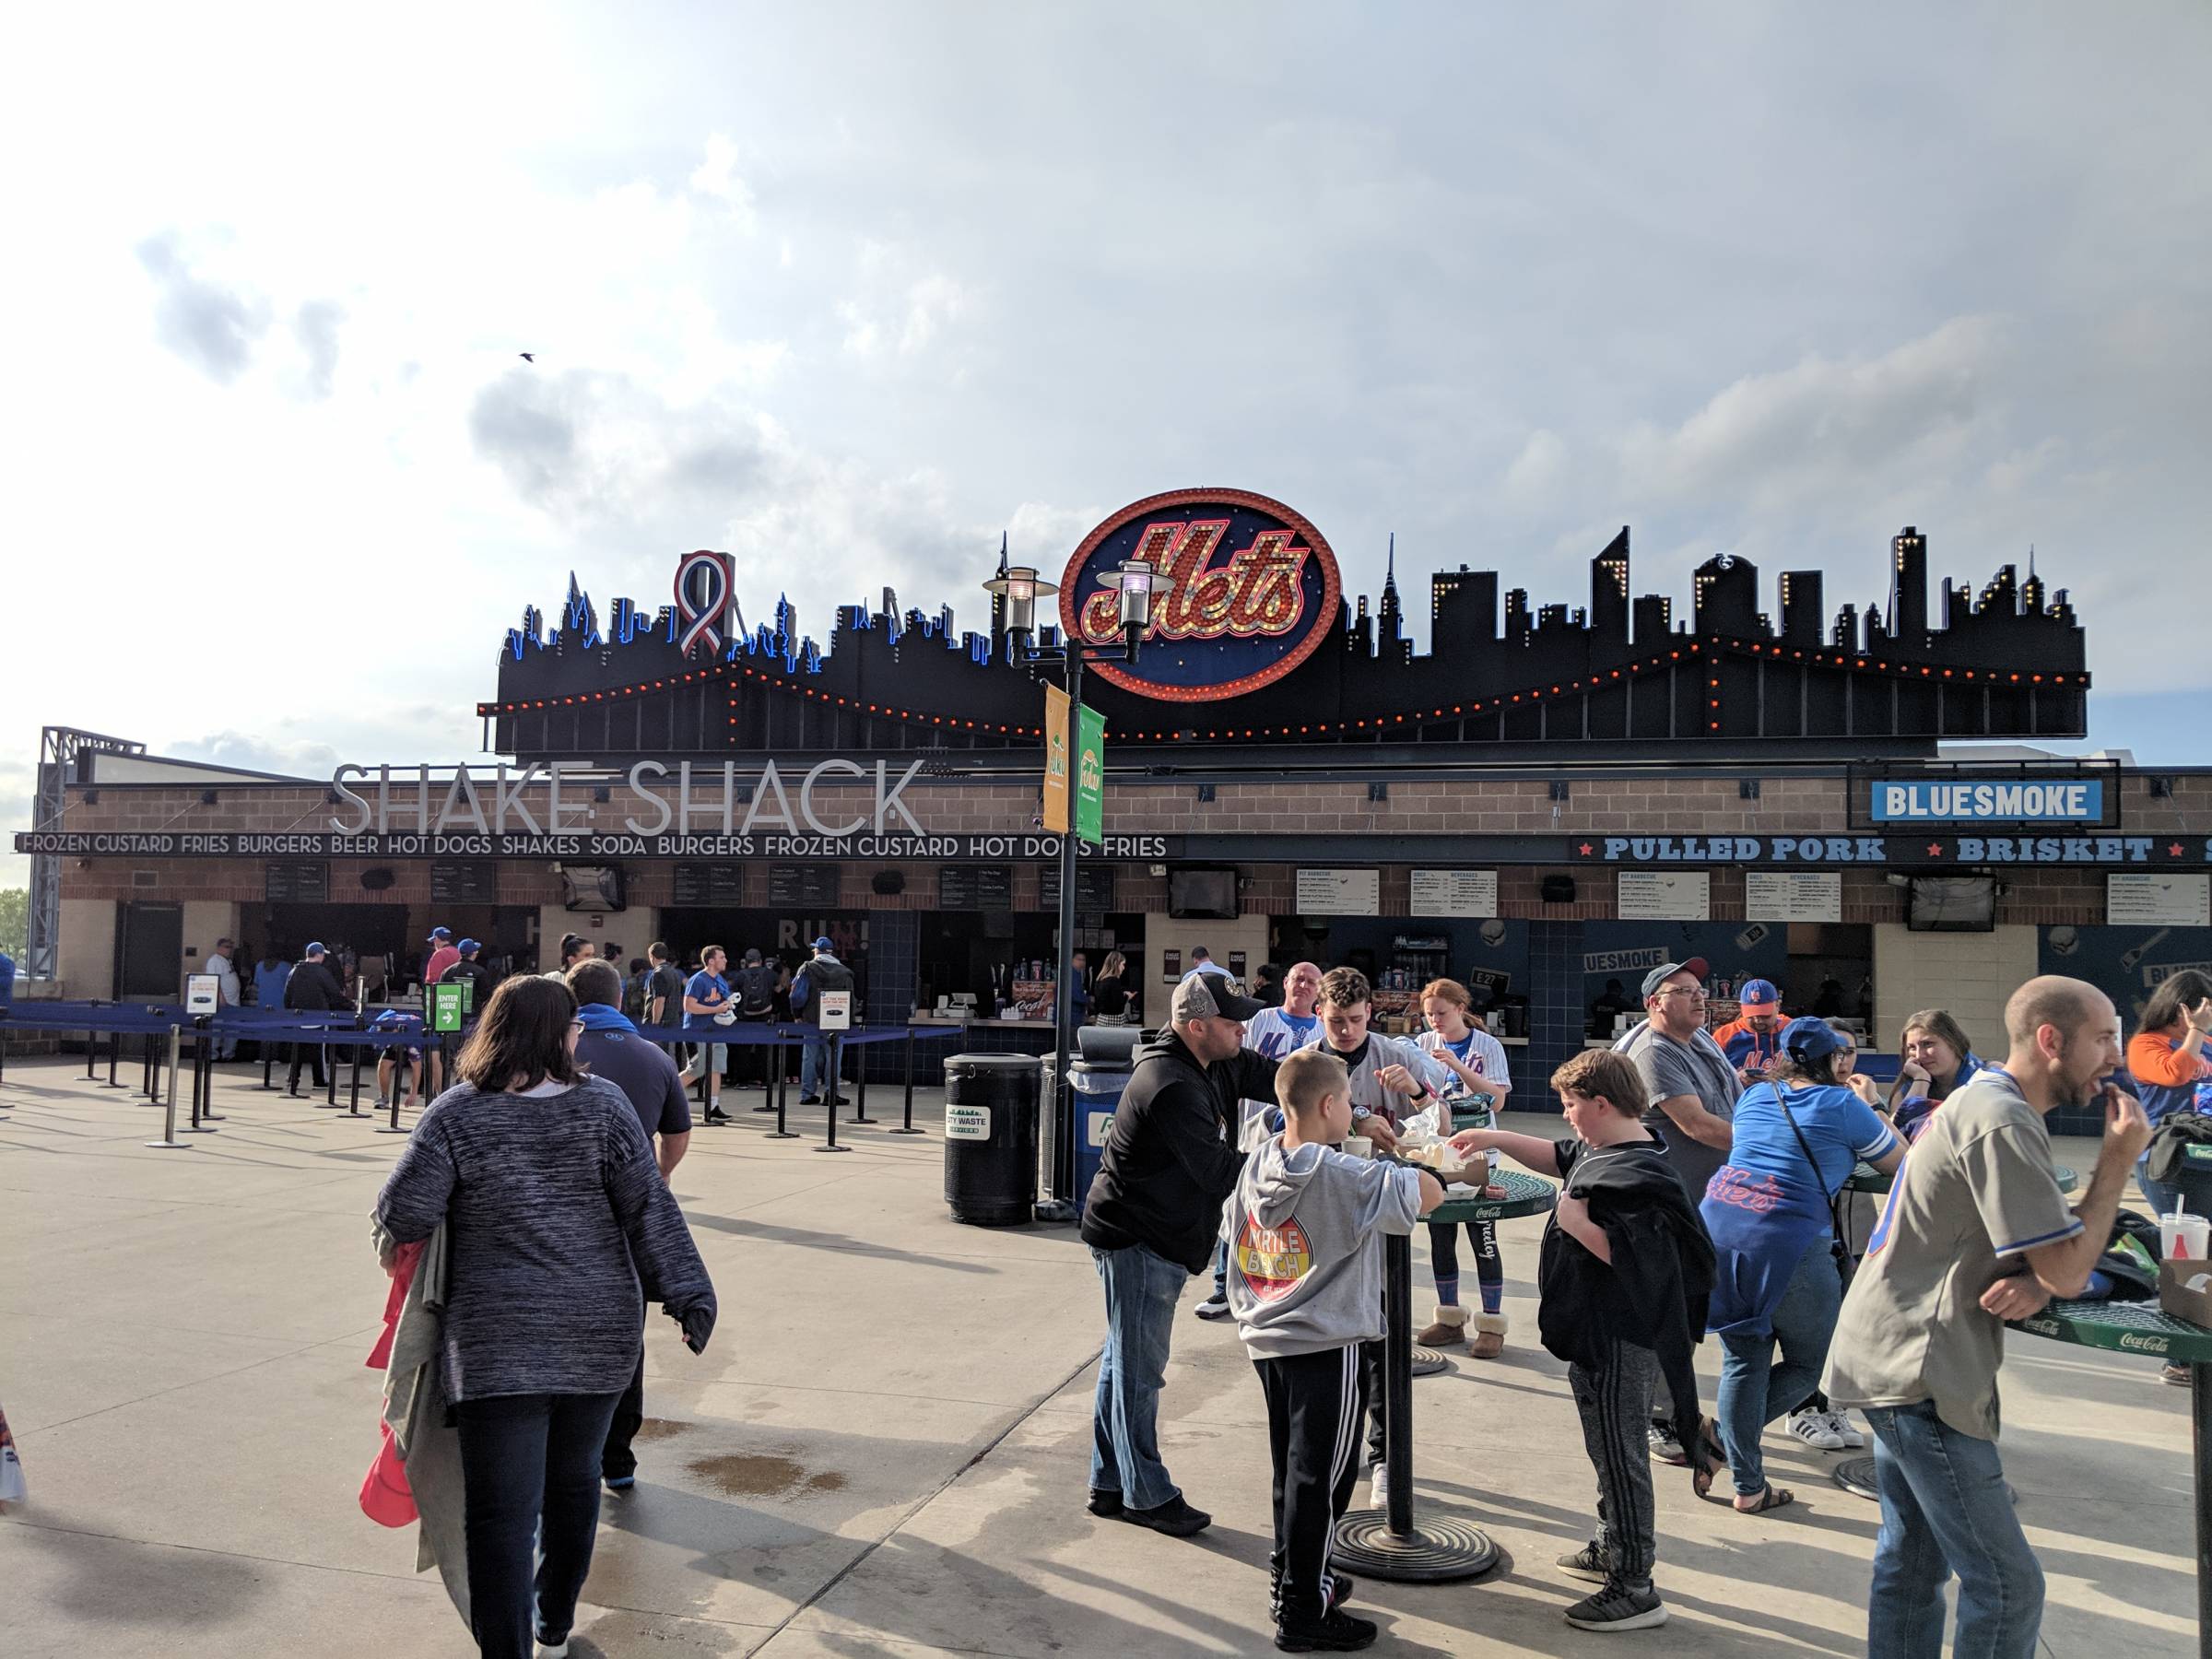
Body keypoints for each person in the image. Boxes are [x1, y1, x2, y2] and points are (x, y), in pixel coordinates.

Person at [373, 974, 716, 1659]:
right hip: (598, 1335)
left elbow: (402, 1213)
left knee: (500, 1514)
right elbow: (650, 1207)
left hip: (495, 1342)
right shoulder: (607, 1109)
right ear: (563, 1034)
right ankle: (554, 1623)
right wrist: (688, 1292)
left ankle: (506, 1651)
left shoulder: (456, 1113)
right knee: (574, 1484)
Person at [1823, 977, 2149, 1659]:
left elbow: (2045, 1249)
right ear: (2050, 1040)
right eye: (2103, 1039)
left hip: (1887, 1352)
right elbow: (2066, 1265)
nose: (2115, 1058)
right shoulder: (2002, 1118)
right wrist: (2118, 1160)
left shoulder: (1982, 1102)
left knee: (1911, 1565)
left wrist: (2038, 1273)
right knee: (2007, 1587)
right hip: (1922, 1373)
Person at [1448, 1051, 1715, 1632]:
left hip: (1621, 1338)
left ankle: (1636, 1584)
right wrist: (1487, 1135)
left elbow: (1647, 1267)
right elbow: (1557, 1156)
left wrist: (1578, 1227)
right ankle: (1609, 1546)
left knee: (1622, 1456)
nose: (1565, 1116)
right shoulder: (1609, 1150)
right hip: (1594, 1336)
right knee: (1605, 1451)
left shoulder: (1638, 1177)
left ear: (1601, 1103)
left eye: (1571, 1105)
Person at [1228, 1048, 1443, 1653]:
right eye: (1348, 1101)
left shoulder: (1263, 1160)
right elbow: (1425, 1192)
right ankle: (1302, 1612)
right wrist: (1401, 1156)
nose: (1353, 1109)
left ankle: (1298, 1577)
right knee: (1322, 1479)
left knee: (1292, 1471)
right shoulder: (1342, 1174)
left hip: (1268, 1335)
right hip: (1326, 1341)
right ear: (1328, 1105)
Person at [1079, 972, 1279, 1538]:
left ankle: (1109, 1481)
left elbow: (1275, 1075)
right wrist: (1297, 1160)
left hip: (1153, 1234)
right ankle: (1146, 1494)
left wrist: (1343, 1098)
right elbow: (1219, 1172)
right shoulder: (1170, 1083)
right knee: (1139, 1374)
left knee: (1123, 1363)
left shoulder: (1218, 1059)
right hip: (1138, 1239)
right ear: (1196, 1027)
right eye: (1230, 1019)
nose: (1242, 1028)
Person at [1701, 1018, 1902, 1514]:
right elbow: (1905, 1165)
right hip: (1787, 1240)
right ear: (1834, 1061)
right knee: (1816, 1364)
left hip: (1719, 1230)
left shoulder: (1754, 1097)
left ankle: (1748, 1484)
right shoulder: (1843, 1104)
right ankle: (1726, 1442)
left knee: (1743, 1361)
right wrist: (1874, 1102)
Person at [1297, 965, 1450, 1504]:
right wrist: (1358, 1115)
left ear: (1371, 1015)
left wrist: (1420, 1096)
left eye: (1356, 1021)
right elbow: (1275, 1124)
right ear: (1320, 1014)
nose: (1345, 1032)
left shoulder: (1396, 1055)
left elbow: (1444, 1126)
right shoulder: (1305, 1062)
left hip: (1382, 1202)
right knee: (1339, 1340)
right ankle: (1342, 1444)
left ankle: (1385, 1455)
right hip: (1326, 1212)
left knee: (1383, 1333)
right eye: (1336, 1021)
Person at [567, 959, 693, 1492]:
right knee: (625, 1334)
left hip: (558, 1211)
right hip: (627, 1214)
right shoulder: (653, 1057)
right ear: (620, 1000)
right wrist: (657, 1177)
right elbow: (678, 1132)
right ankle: (617, 1459)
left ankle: (565, 1450)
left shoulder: (556, 1052)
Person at [1614, 959, 1736, 1461]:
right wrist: (1775, 1148)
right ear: (1654, 1004)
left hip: (1708, 1204)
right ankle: (1654, 1418)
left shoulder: (1701, 1041)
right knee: (1667, 1312)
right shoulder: (1653, 1051)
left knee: (1689, 1313)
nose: (1698, 997)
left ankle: (1672, 1408)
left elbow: (1733, 1102)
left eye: (1699, 990)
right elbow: (1698, 1126)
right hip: (1666, 1208)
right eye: (1682, 991)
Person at [1194, 962, 1326, 1323]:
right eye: (1298, 978)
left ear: (1319, 991)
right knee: (1236, 1210)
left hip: (1299, 1139)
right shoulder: (1258, 1021)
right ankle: (1224, 1287)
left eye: (1312, 982)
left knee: (1290, 1217)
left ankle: (1283, 1292)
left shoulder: (1325, 1029)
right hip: (1253, 1129)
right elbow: (1234, 1063)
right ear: (1285, 982)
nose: (1303, 985)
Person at [1414, 979, 1514, 1358]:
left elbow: (1498, 1099)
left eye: (1441, 1012)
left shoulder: (1486, 1045)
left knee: (1482, 1234)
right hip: (1438, 1151)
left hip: (1478, 1151)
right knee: (1442, 1234)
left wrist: (1457, 1066)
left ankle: (1491, 1322)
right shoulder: (1423, 1044)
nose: (1435, 1021)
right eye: (1428, 1015)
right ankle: (1450, 1318)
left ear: (1460, 1007)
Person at [2124, 970, 2212, 1384]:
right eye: (2202, 1009)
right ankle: (2180, 1360)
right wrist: (2194, 1034)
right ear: (2182, 1007)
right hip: (2168, 1164)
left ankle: (2201, 1347)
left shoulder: (2207, 1043)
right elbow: (2174, 1074)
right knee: (2187, 1258)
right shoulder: (2146, 1045)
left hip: (2206, 1159)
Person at [1887, 1008, 1983, 1140]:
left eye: (1927, 1044)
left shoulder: (1987, 1077)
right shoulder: (1905, 1090)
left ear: (1953, 1043)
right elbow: (1897, 1140)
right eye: (1912, 1048)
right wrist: (1921, 1080)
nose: (1919, 1055)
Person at [792, 936, 856, 1107]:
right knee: (833, 1057)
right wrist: (848, 1021)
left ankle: (807, 1094)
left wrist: (797, 1015)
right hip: (836, 1021)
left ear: (816, 951)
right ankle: (831, 1094)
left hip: (810, 1020)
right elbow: (851, 1000)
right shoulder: (844, 972)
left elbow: (796, 995)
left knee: (809, 1057)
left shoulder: (807, 968)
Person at [283, 941, 352, 1094]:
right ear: (320, 955)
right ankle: (320, 1080)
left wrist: (290, 1012)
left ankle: (292, 1080)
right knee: (319, 1049)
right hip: (319, 1016)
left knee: (297, 1048)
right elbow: (334, 993)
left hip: (298, 1016)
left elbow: (287, 995)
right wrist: (351, 1006)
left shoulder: (294, 971)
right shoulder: (322, 972)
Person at [681, 947, 735, 1124]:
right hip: (697, 1031)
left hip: (716, 1031)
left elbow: (723, 1002)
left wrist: (729, 1005)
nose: (725, 960)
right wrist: (716, 1009)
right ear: (711, 961)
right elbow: (689, 1006)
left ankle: (712, 1107)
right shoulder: (698, 980)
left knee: (716, 1068)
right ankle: (664, 1097)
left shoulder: (719, 980)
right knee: (697, 1069)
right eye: (722, 957)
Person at [1711, 979, 1786, 1087]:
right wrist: (1735, 1079)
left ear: (1778, 1006)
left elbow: (1811, 1077)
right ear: (1741, 1009)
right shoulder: (1724, 1035)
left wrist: (1780, 1077)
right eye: (1751, 1016)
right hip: (1741, 1101)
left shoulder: (1792, 1031)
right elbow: (1708, 1076)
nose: (1758, 1021)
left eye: (1765, 1016)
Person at [372, 1006, 429, 1111]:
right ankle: (383, 1097)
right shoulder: (381, 1023)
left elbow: (417, 1067)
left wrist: (413, 1094)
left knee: (429, 1063)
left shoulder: (413, 1040)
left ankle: (435, 1095)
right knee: (383, 1064)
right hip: (398, 1036)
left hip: (417, 1035)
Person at [1090, 950, 1132, 1024]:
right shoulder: (1114, 981)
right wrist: (1127, 997)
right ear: (1116, 963)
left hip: (1101, 1019)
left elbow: (1100, 1003)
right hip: (1113, 1020)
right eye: (1123, 964)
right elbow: (1118, 1006)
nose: (1124, 968)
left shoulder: (1099, 980)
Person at [423, 926, 462, 993]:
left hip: (441, 993)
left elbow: (433, 978)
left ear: (437, 939)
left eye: (433, 941)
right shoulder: (457, 952)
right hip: (456, 992)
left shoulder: (439, 954)